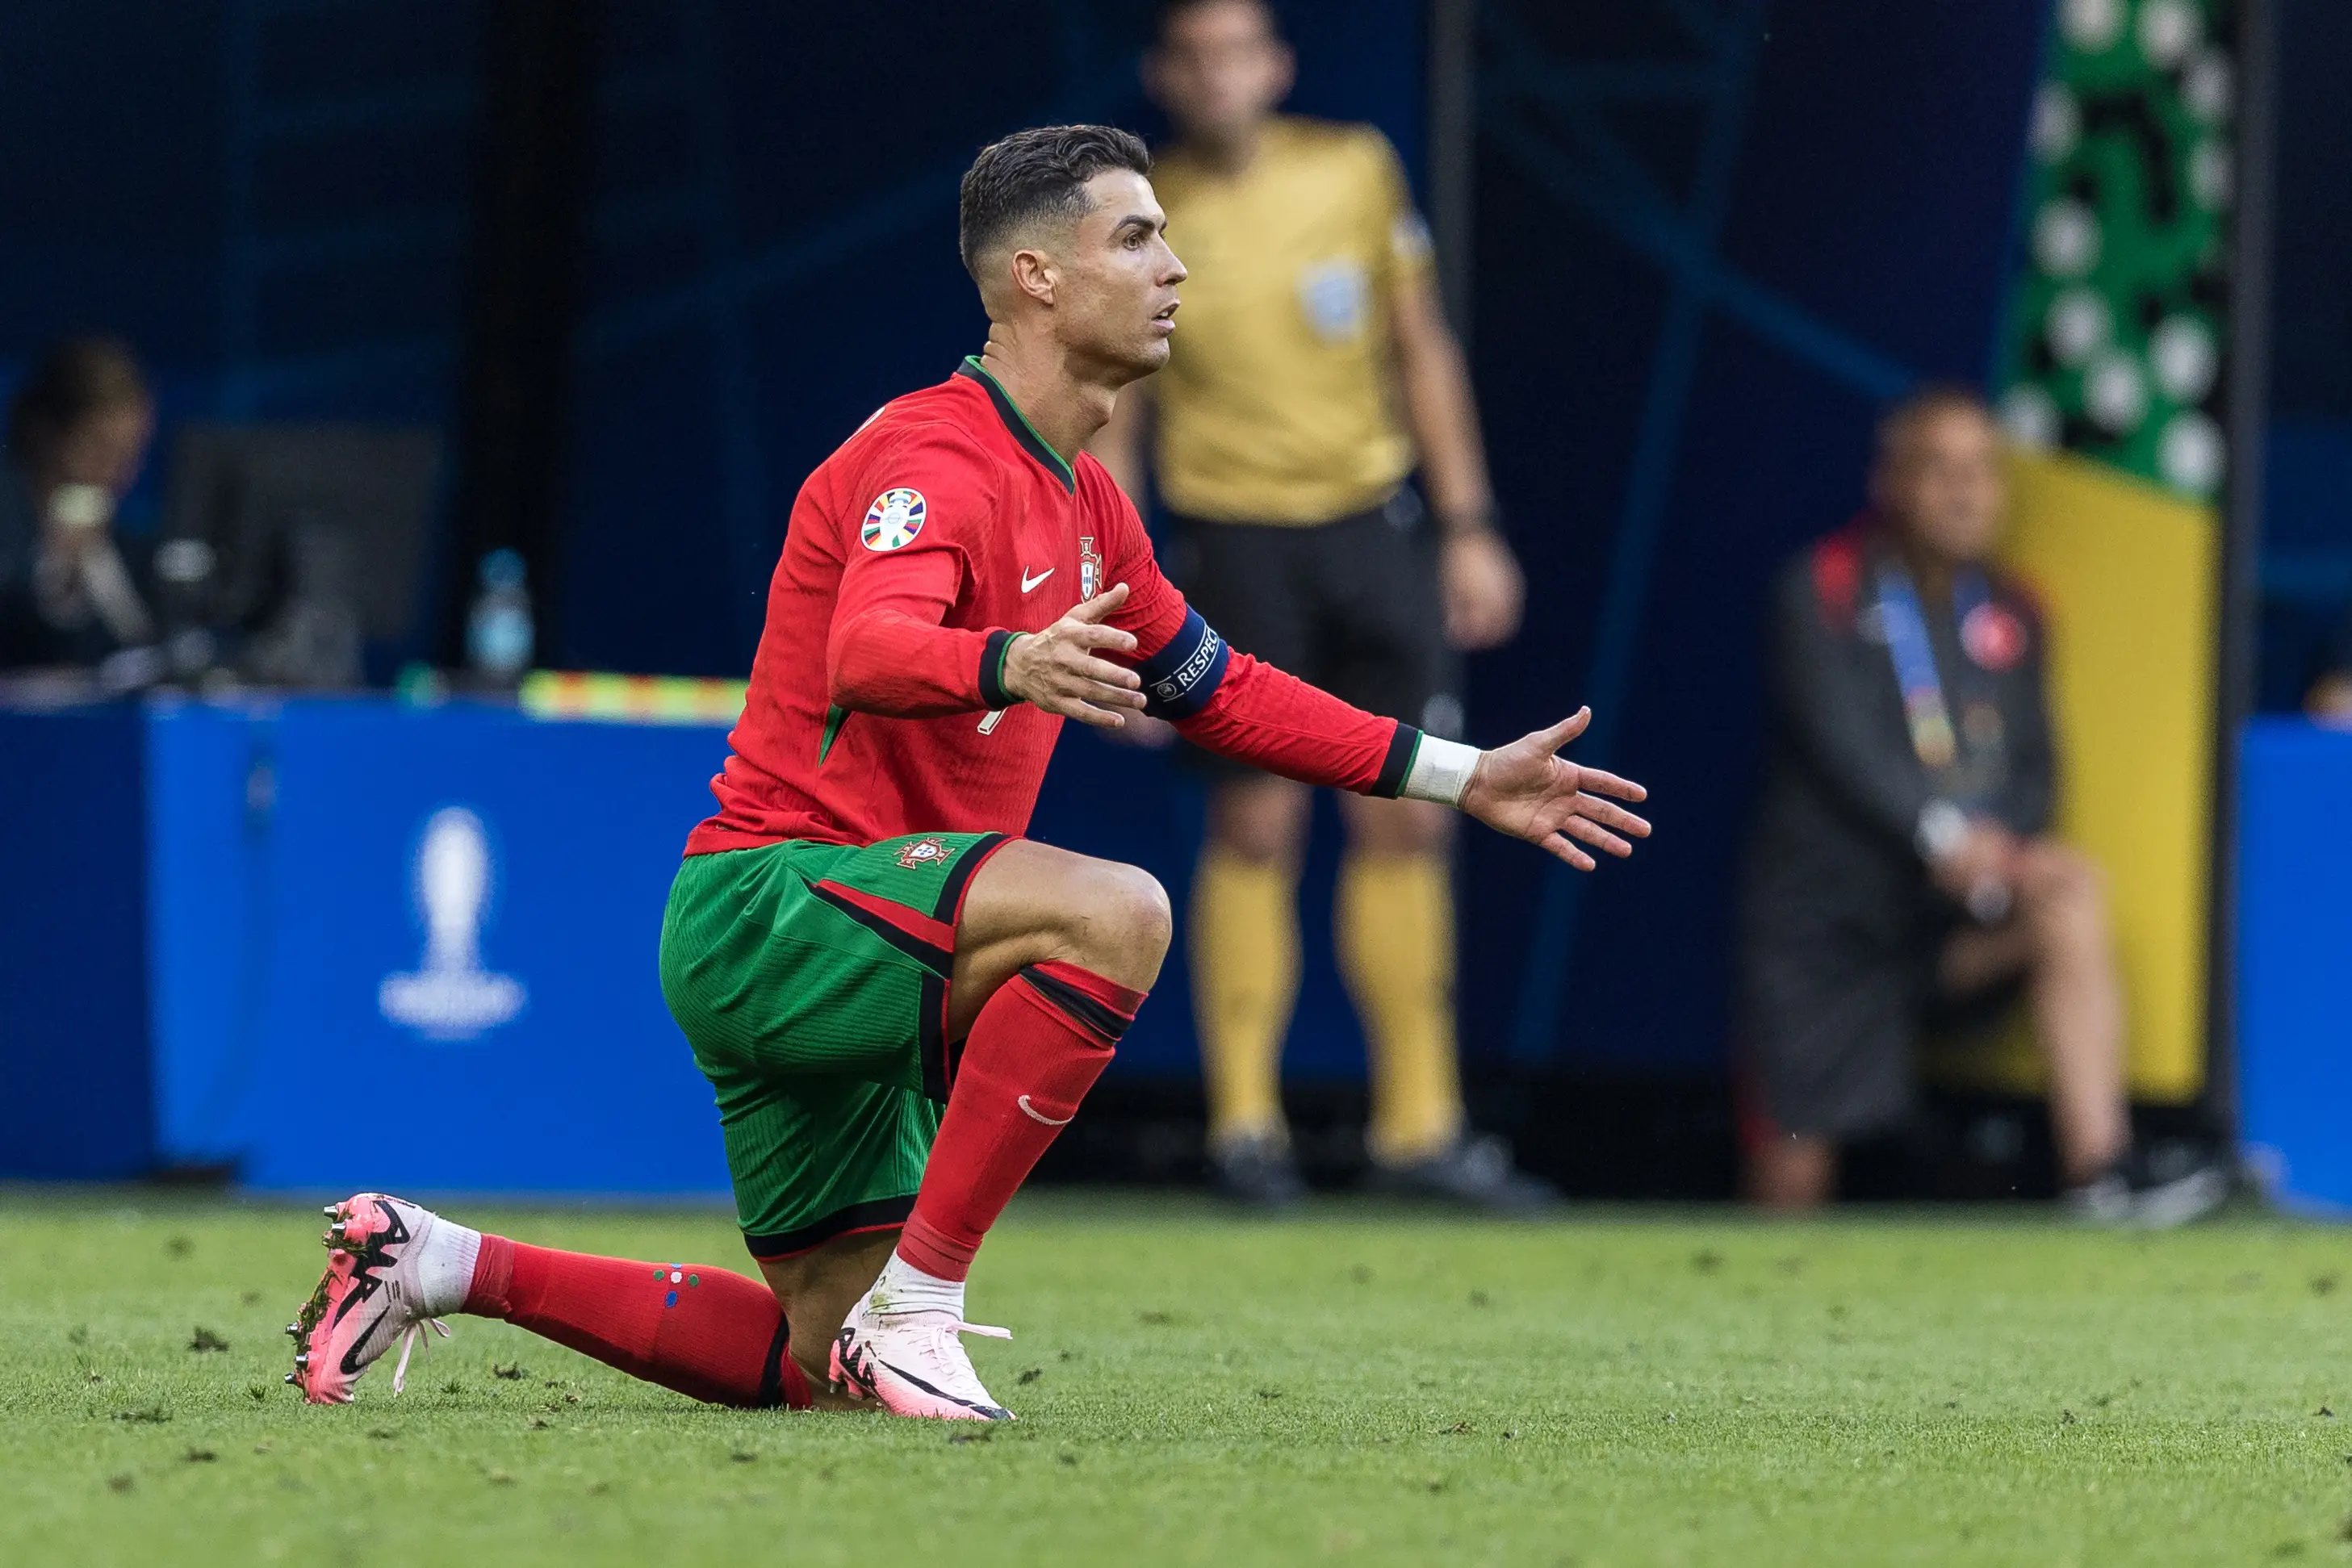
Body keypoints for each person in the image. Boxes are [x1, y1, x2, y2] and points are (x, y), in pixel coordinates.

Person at [286, 124, 1651, 1422]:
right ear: (1035, 276)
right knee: (1116, 912)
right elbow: (869, 646)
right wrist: (1006, 662)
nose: (1174, 268)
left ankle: (434, 1257)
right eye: (1137, 238)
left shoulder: (1082, 494)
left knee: (809, 1357)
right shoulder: (931, 452)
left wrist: (1459, 775)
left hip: (881, 940)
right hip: (773, 908)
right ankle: (923, 1299)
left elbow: (1214, 689)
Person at [1091, 0, 1535, 1209]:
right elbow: (1120, 409)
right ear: (1163, 74)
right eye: (1194, 54)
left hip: (1370, 524)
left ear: (1275, 65)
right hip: (1233, 541)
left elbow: (1420, 347)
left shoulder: (1354, 167)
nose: (1218, 73)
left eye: (1239, 49)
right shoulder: (1141, 209)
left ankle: (1419, 1127)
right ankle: (1246, 1128)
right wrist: (1113, 586)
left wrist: (1469, 524)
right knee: (1257, 824)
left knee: (1415, 811)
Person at [1737, 386, 2225, 1225]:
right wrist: (1944, 834)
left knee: (2067, 886)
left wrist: (2006, 848)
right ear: (1889, 480)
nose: (1965, 492)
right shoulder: (1819, 585)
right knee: (1790, 1187)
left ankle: (2102, 1171)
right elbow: (1841, 748)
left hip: (1947, 924)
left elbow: (2037, 768)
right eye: (1940, 470)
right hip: (1826, 931)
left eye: (1983, 472)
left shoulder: (2014, 608)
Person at [0, 337, 158, 673]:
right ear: (44, 434)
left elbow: (142, 645)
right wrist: (59, 574)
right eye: (100, 449)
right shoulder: (10, 525)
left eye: (130, 454)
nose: (117, 474)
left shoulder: (132, 548)